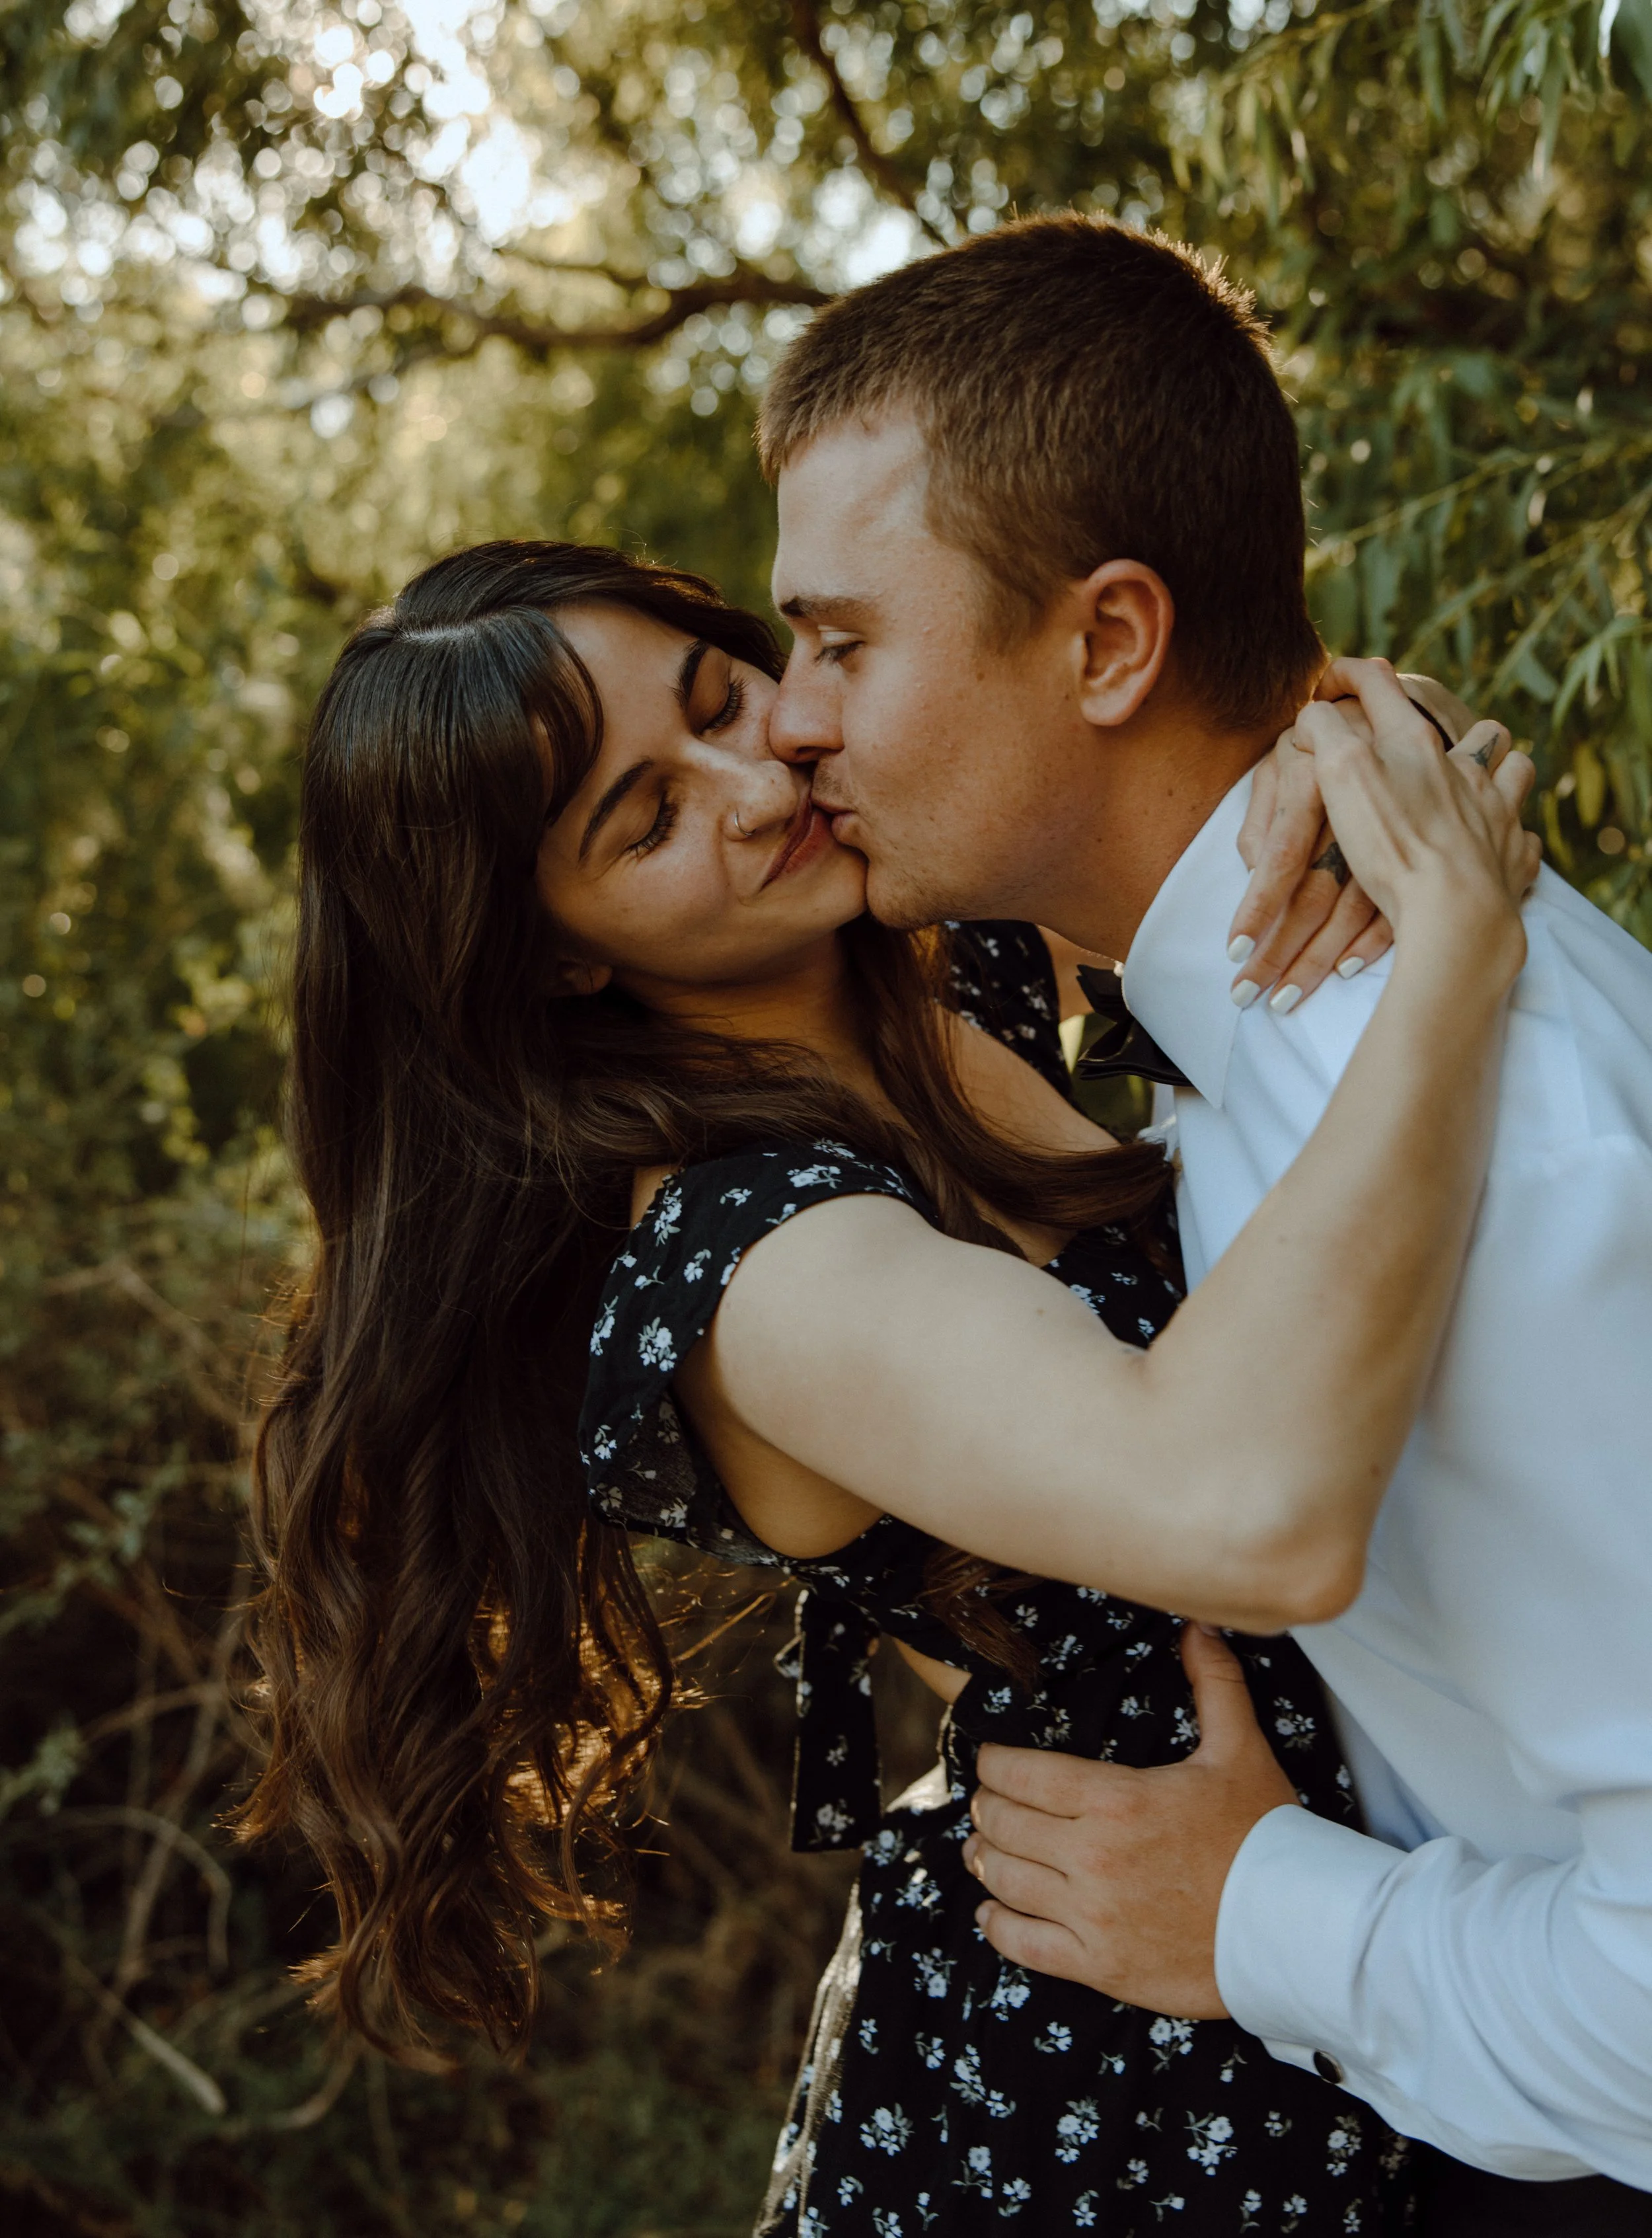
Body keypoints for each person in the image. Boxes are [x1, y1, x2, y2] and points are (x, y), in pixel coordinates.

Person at [241, 534, 1534, 2235]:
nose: (752, 779)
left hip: (1359, 1928)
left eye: (723, 695)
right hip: (1108, 2096)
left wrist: (1365, 744)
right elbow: (1244, 1508)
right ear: (552, 950)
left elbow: (1181, 774)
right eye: (644, 819)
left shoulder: (954, 958)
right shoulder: (754, 1266)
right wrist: (1455, 941)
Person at [756, 212, 1652, 2233]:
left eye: (841, 642)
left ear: (1103, 644)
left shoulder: (1482, 1135)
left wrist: (1271, 1916)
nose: (789, 727)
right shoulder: (1235, 996)